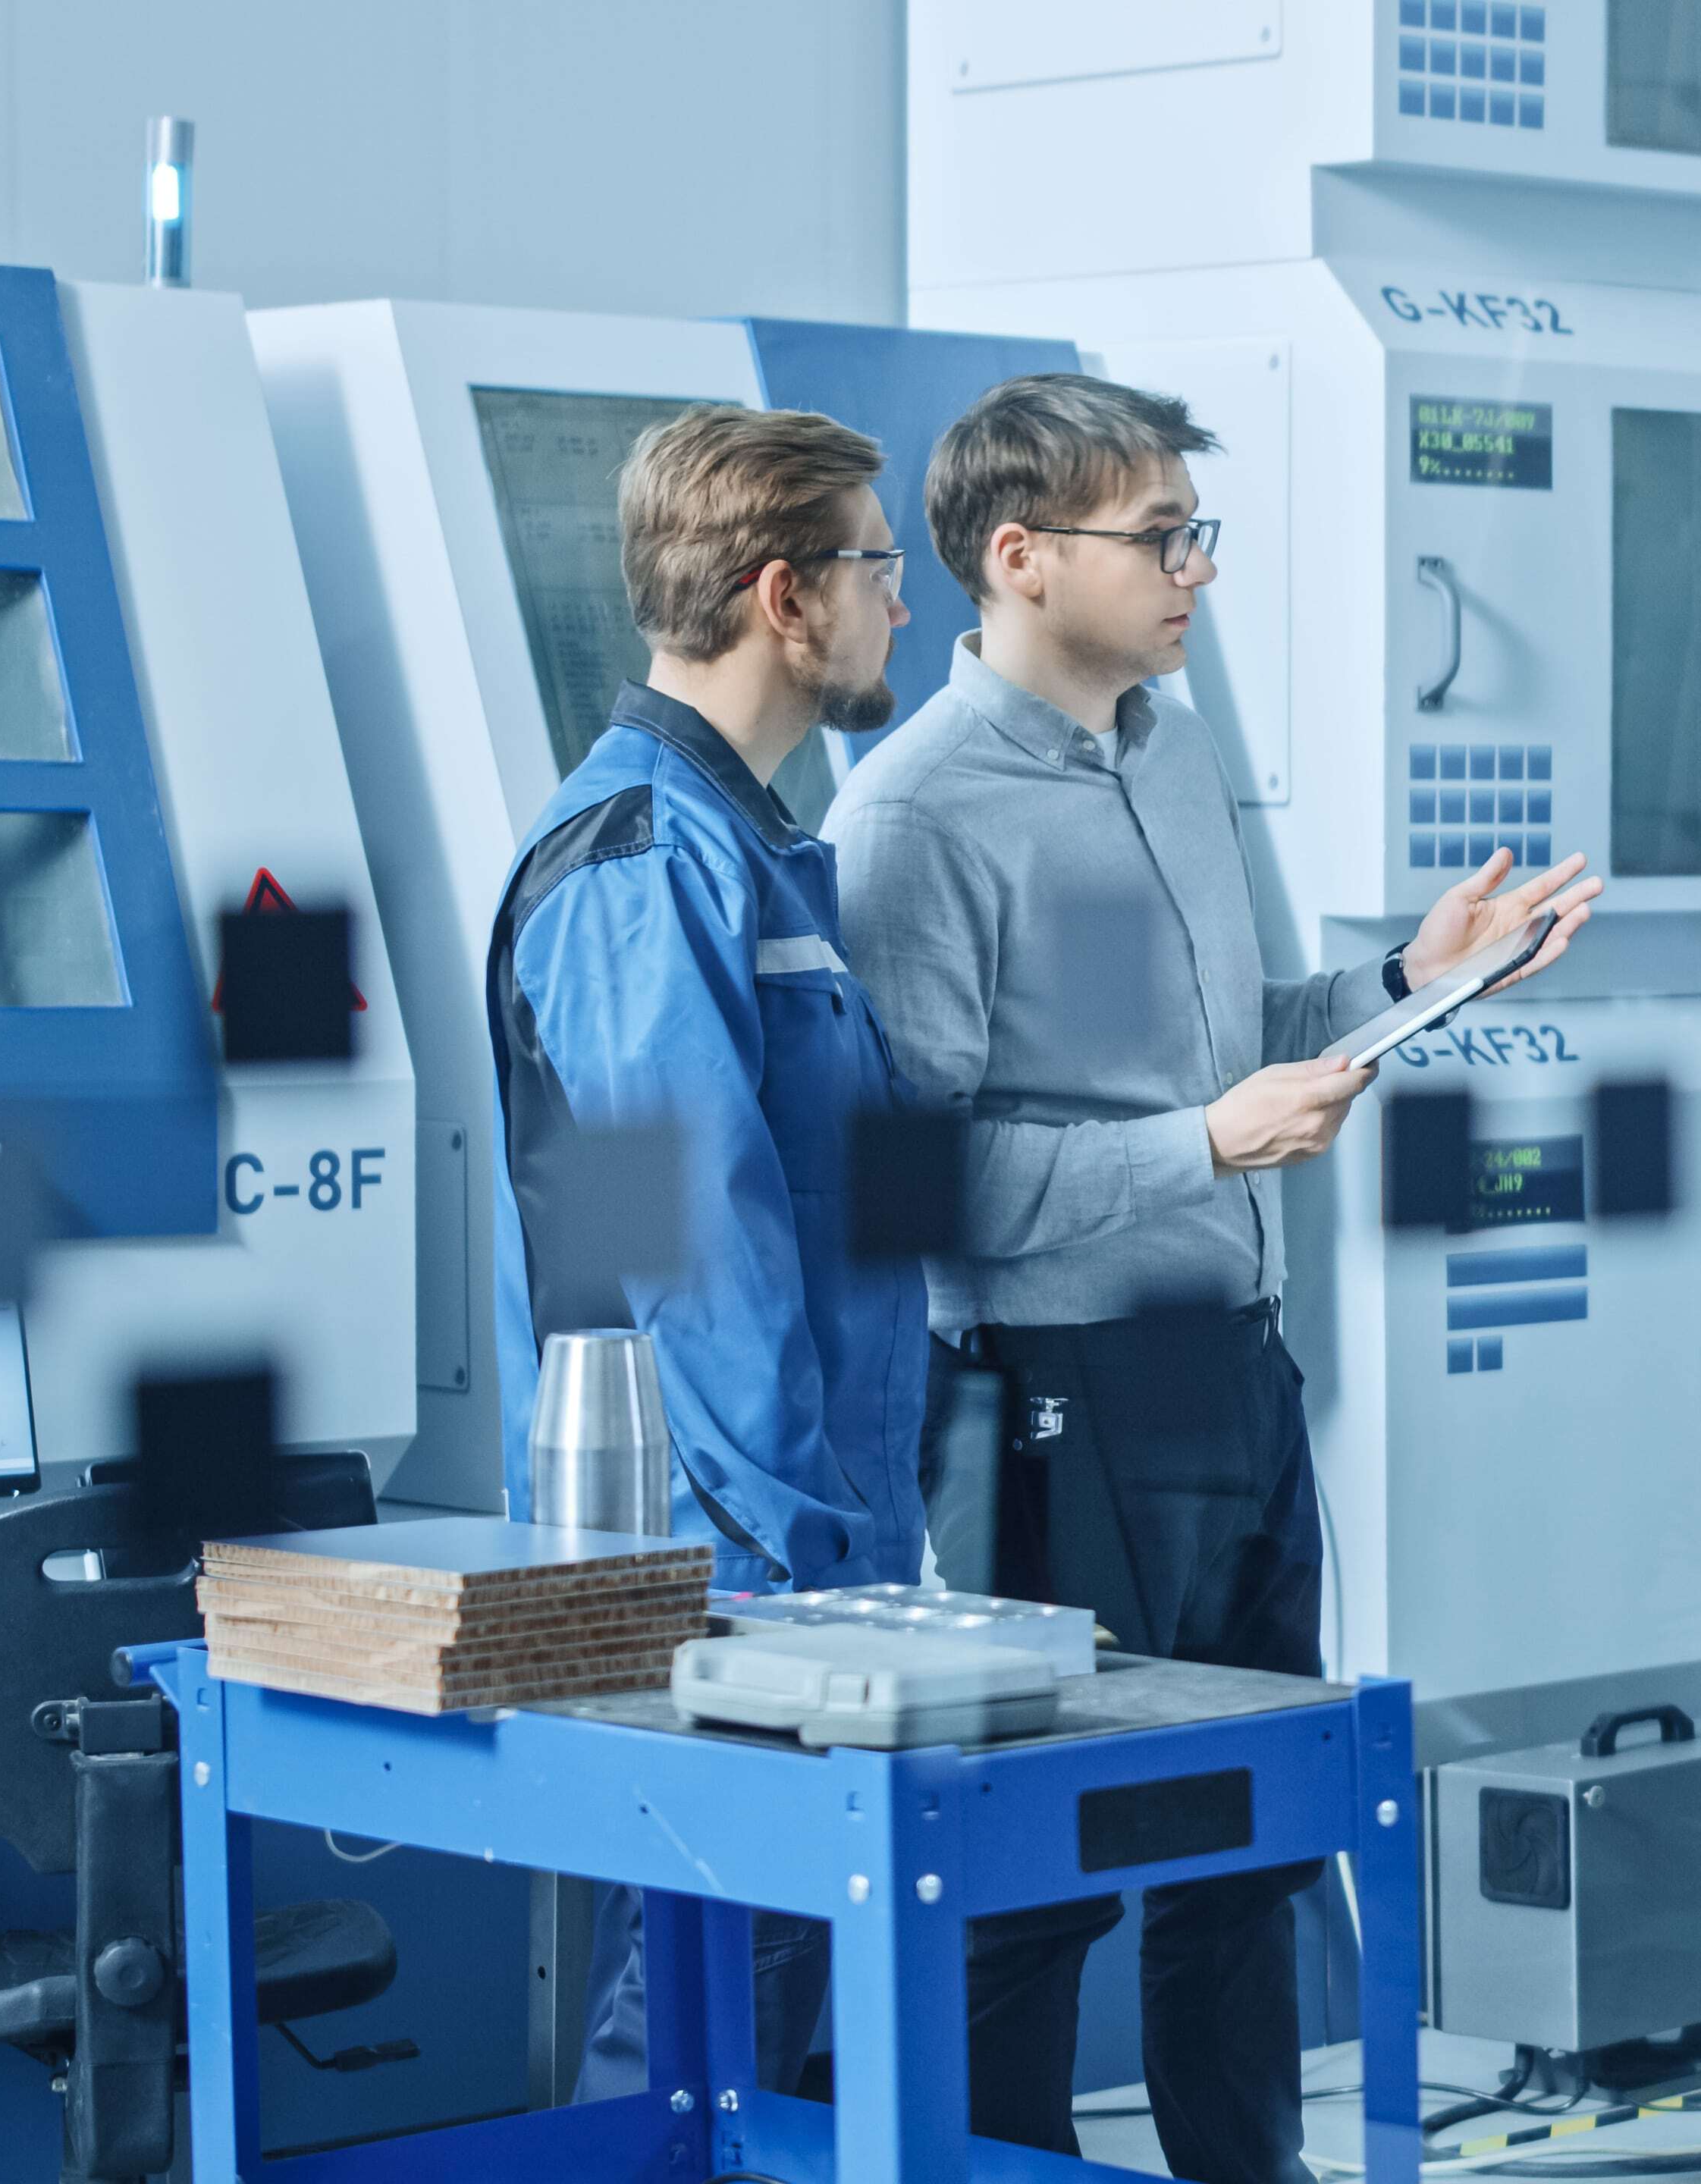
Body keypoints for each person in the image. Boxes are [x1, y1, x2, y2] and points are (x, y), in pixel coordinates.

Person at [824, 372, 1597, 2184]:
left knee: (1251, 1844)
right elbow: (920, 1183)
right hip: (1050, 1398)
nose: (1198, 571)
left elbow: (1210, 1047)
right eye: (1162, 537)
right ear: (1019, 557)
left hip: (1229, 1373)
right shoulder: (915, 818)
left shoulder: (1166, 751)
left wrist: (1411, 978)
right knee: (1039, 1880)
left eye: (1198, 531)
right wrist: (1204, 1149)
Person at [485, 404, 1096, 2145]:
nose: (906, 603)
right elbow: (695, 1259)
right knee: (701, 2027)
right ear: (783, 595)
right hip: (727, 1568)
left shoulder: (756, 850)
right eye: (879, 567)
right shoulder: (638, 865)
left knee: (776, 2033)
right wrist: (818, 1584)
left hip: (813, 1541)